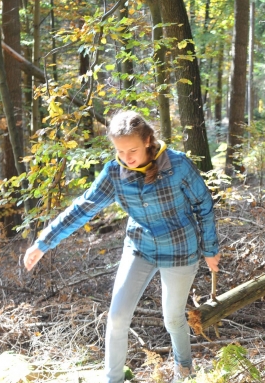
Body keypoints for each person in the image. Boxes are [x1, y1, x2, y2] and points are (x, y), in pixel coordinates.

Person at [23, 110, 220, 383]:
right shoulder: (114, 173)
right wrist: (44, 242)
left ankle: (184, 371)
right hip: (139, 247)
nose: (127, 157)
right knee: (116, 317)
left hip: (180, 249)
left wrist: (210, 249)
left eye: (133, 150)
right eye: (120, 150)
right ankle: (112, 379)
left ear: (148, 141)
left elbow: (204, 206)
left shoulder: (177, 165)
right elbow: (83, 208)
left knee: (173, 319)